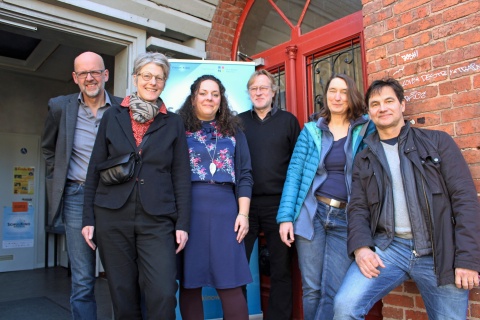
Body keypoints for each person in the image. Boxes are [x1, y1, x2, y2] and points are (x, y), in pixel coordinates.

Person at [333, 78, 480, 319]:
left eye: (389, 101)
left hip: (440, 252)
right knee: (345, 306)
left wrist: (467, 259)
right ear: (369, 112)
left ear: (402, 105)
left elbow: (464, 200)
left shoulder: (437, 143)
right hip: (389, 248)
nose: (383, 108)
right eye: (376, 104)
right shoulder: (365, 158)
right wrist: (361, 248)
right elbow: (358, 208)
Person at [81, 52, 191, 320]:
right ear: (135, 79)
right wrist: (88, 218)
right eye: (147, 76)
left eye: (159, 78)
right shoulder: (113, 116)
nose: (152, 82)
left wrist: (183, 224)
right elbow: (95, 167)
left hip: (157, 219)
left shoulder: (173, 122)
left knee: (164, 293)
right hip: (112, 215)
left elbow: (181, 175)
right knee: (122, 293)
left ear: (165, 82)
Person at [277, 74, 374, 320]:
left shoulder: (364, 129)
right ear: (326, 94)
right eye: (332, 90)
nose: (337, 96)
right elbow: (294, 175)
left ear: (351, 95)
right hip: (312, 214)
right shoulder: (311, 131)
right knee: (312, 289)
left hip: (346, 217)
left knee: (334, 289)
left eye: (343, 91)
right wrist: (286, 218)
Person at [41, 51, 121, 320]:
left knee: (122, 275)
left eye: (95, 72)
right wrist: (60, 174)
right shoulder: (60, 107)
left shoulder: (124, 108)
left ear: (105, 75)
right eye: (84, 73)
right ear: (75, 78)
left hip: (115, 198)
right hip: (76, 196)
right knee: (83, 278)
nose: (90, 77)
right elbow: (48, 149)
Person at [177, 74, 253, 320]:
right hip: (189, 210)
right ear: (193, 98)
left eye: (215, 94)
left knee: (230, 283)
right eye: (203, 93)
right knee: (190, 283)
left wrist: (243, 214)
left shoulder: (234, 132)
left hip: (226, 211)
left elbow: (244, 175)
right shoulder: (178, 129)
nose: (209, 98)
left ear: (221, 100)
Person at [238, 69, 300, 319]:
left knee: (281, 270)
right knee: (237, 266)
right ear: (249, 93)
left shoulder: (288, 121)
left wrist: (292, 206)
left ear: (273, 92)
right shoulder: (238, 122)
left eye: (264, 88)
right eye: (254, 88)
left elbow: (298, 165)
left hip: (280, 206)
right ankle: (238, 314)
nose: (259, 92)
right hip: (245, 206)